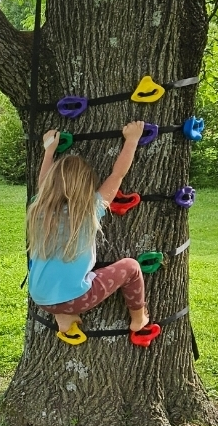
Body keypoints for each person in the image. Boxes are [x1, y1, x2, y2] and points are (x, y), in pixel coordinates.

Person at [27, 122, 150, 340]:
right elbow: (117, 176)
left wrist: (49, 152)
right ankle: (138, 318)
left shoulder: (39, 209)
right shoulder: (89, 209)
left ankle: (64, 318)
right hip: (76, 297)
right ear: (87, 185)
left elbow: (42, 182)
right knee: (131, 267)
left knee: (63, 284)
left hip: (40, 297)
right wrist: (131, 141)